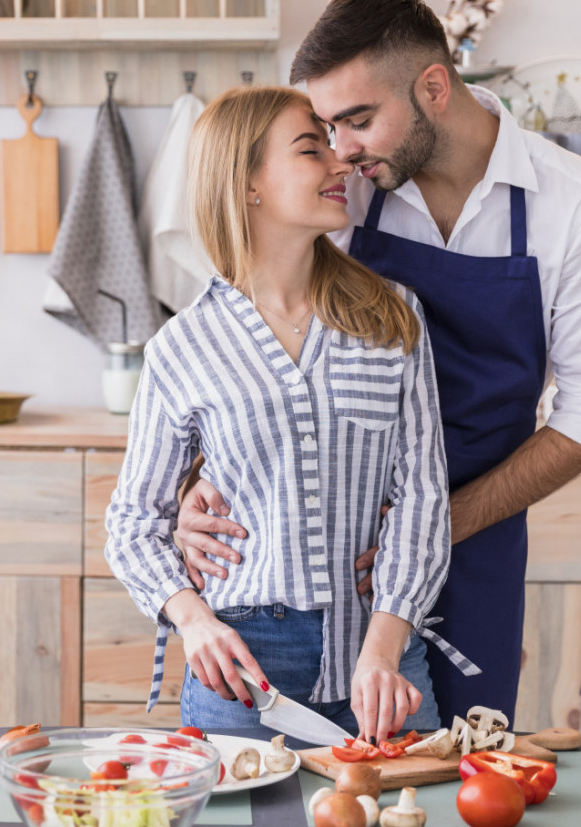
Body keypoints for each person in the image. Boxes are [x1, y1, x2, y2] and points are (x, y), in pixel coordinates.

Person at [177, 0, 581, 727]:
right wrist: (196, 483)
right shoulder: (345, 194)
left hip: (478, 530)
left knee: (451, 763)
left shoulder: (574, 208)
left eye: (357, 120)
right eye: (327, 128)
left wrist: (434, 526)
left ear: (432, 87)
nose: (341, 149)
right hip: (314, 539)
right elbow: (248, 337)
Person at [104, 85, 466, 743]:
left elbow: (421, 497)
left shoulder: (391, 317)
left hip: (382, 659)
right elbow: (133, 523)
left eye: (334, 145)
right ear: (247, 184)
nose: (339, 163)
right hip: (242, 673)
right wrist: (193, 620)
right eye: (311, 149)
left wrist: (384, 648)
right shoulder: (183, 346)